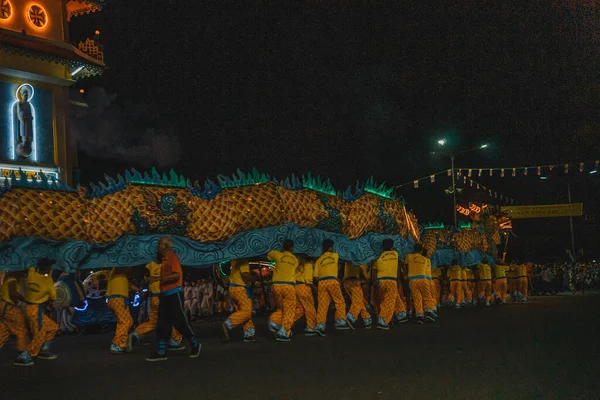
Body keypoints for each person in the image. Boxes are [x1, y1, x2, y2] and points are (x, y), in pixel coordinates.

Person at [146, 236, 201, 362]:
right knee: (161, 324)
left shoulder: (172, 257)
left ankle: (195, 344)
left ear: (165, 246)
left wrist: (158, 279)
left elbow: (176, 276)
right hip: (165, 295)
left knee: (180, 322)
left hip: (174, 294)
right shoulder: (164, 260)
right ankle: (161, 352)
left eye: (160, 244)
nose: (157, 247)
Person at [129, 261, 183, 350]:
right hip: (163, 296)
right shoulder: (168, 263)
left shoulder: (150, 264)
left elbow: (146, 278)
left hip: (153, 297)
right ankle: (175, 340)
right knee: (173, 318)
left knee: (153, 322)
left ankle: (135, 334)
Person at [15, 258, 59, 366]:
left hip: (29, 308)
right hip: (36, 310)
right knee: (39, 334)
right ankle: (25, 356)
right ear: (49, 268)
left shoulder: (31, 274)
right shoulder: (48, 281)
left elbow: (31, 266)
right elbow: (53, 297)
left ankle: (41, 350)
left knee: (53, 327)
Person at [314, 239, 351, 335]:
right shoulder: (335, 255)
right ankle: (340, 321)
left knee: (322, 306)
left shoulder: (319, 260)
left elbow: (316, 276)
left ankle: (320, 325)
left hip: (322, 282)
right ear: (330, 247)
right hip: (332, 281)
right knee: (339, 302)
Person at [267, 239, 299, 341]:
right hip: (288, 286)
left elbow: (268, 254)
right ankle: (283, 332)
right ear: (292, 248)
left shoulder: (277, 255)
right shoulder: (295, 259)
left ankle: (274, 322)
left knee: (281, 308)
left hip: (276, 286)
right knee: (289, 310)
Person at [374, 239, 407, 330]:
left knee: (388, 299)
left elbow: (375, 270)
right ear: (392, 246)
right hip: (391, 280)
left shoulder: (378, 256)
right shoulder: (395, 254)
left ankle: (400, 314)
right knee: (389, 301)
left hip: (380, 281)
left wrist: (374, 282)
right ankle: (383, 321)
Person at [221, 258, 255, 342]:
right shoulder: (243, 260)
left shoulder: (233, 260)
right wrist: (253, 279)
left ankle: (249, 334)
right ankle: (229, 323)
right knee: (247, 311)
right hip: (240, 288)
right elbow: (245, 274)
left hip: (233, 288)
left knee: (243, 312)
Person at [106, 267, 137, 354]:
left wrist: (138, 290)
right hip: (118, 299)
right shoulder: (117, 269)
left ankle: (126, 337)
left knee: (129, 321)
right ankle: (117, 345)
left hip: (116, 300)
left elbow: (129, 284)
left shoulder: (121, 276)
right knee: (125, 322)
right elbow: (120, 267)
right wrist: (128, 264)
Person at [404, 244, 436, 324]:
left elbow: (406, 267)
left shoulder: (408, 256)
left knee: (417, 298)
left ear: (413, 249)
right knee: (427, 296)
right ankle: (428, 311)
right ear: (421, 251)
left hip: (412, 280)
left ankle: (419, 316)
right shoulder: (425, 259)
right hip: (423, 279)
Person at [0, 271, 28, 360]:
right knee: (21, 329)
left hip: (3, 306)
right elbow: (13, 294)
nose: (24, 272)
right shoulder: (12, 279)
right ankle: (22, 355)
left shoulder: (7, 278)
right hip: (8, 308)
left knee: (4, 330)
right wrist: (25, 300)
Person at [343, 261, 372, 329]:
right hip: (354, 282)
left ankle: (367, 319)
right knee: (357, 302)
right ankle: (351, 316)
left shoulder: (347, 259)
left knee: (359, 301)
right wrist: (365, 278)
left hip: (346, 283)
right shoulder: (356, 260)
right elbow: (361, 271)